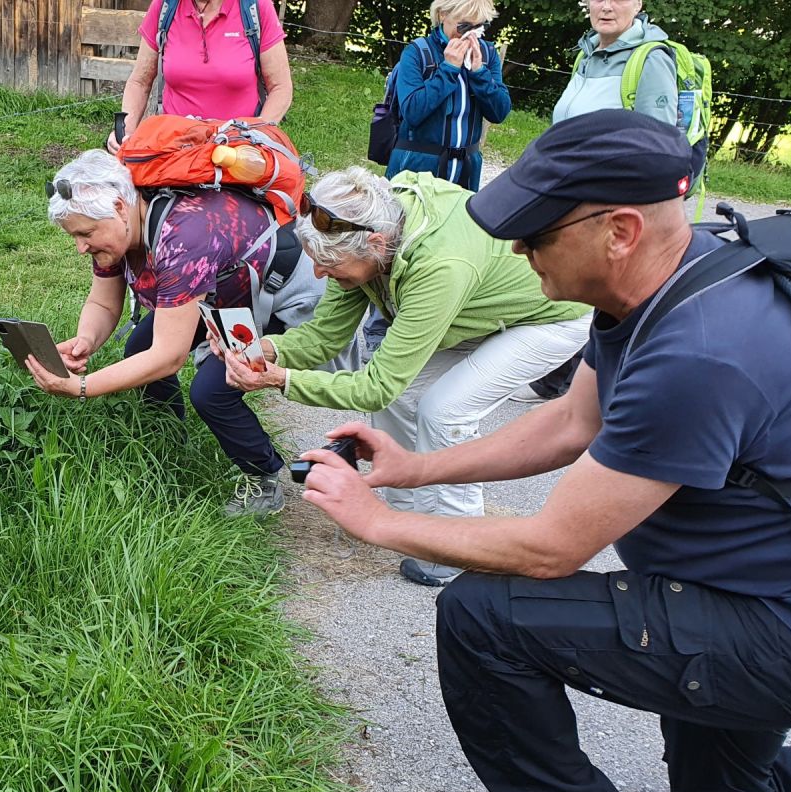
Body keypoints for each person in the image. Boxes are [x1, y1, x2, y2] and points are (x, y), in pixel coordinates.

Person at [297, 110, 791, 792]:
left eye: (536, 235)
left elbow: (553, 547)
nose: (517, 251)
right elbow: (572, 420)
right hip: (759, 605)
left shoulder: (700, 350)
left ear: (618, 230)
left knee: (486, 617)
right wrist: (410, 469)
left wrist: (376, 524)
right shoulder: (659, 285)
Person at [218, 166, 590, 587]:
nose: (320, 275)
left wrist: (280, 379)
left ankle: (456, 551)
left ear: (376, 244)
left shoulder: (438, 266)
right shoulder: (359, 231)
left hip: (545, 317)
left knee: (445, 412)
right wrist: (266, 350)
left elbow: (375, 387)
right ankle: (410, 520)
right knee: (406, 392)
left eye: (329, 265)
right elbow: (324, 338)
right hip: (473, 310)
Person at [26, 149, 324, 516]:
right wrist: (86, 340)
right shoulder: (115, 230)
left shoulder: (184, 235)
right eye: (74, 236)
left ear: (121, 207)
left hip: (277, 296)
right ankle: (166, 442)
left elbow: (170, 355)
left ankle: (262, 478)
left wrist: (82, 388)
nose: (80, 247)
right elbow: (103, 304)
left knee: (214, 389)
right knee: (138, 347)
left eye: (85, 234)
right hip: (222, 294)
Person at [513, 0, 692, 404]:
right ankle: (570, 386)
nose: (606, 6)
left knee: (617, 294)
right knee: (582, 286)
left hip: (616, 206)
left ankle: (620, 393)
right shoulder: (587, 53)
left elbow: (659, 148)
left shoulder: (651, 60)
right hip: (574, 197)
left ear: (639, 4)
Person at [107, 0, 293, 153]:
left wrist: (257, 135)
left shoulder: (255, 8)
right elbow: (140, 81)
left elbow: (280, 87)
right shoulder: (166, 7)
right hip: (174, 148)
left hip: (240, 149)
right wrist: (125, 132)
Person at [383, 0, 511, 191]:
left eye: (479, 27)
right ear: (443, 15)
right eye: (464, 26)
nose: (470, 35)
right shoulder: (417, 52)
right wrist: (448, 69)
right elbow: (412, 112)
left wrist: (478, 72)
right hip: (417, 168)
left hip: (465, 170)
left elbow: (499, 112)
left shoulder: (487, 54)